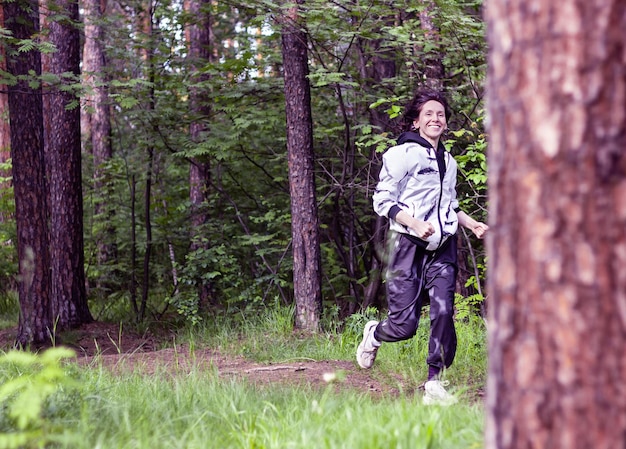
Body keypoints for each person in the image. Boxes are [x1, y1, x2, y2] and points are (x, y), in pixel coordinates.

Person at [357, 88, 488, 405]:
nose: (435, 118)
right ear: (416, 121)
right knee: (404, 325)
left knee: (443, 311)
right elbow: (382, 201)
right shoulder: (400, 155)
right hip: (407, 245)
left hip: (443, 247)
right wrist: (414, 223)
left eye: (440, 114)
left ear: (445, 122)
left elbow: (450, 205)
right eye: (428, 113)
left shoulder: (449, 161)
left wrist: (472, 224)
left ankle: (434, 383)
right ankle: (375, 334)